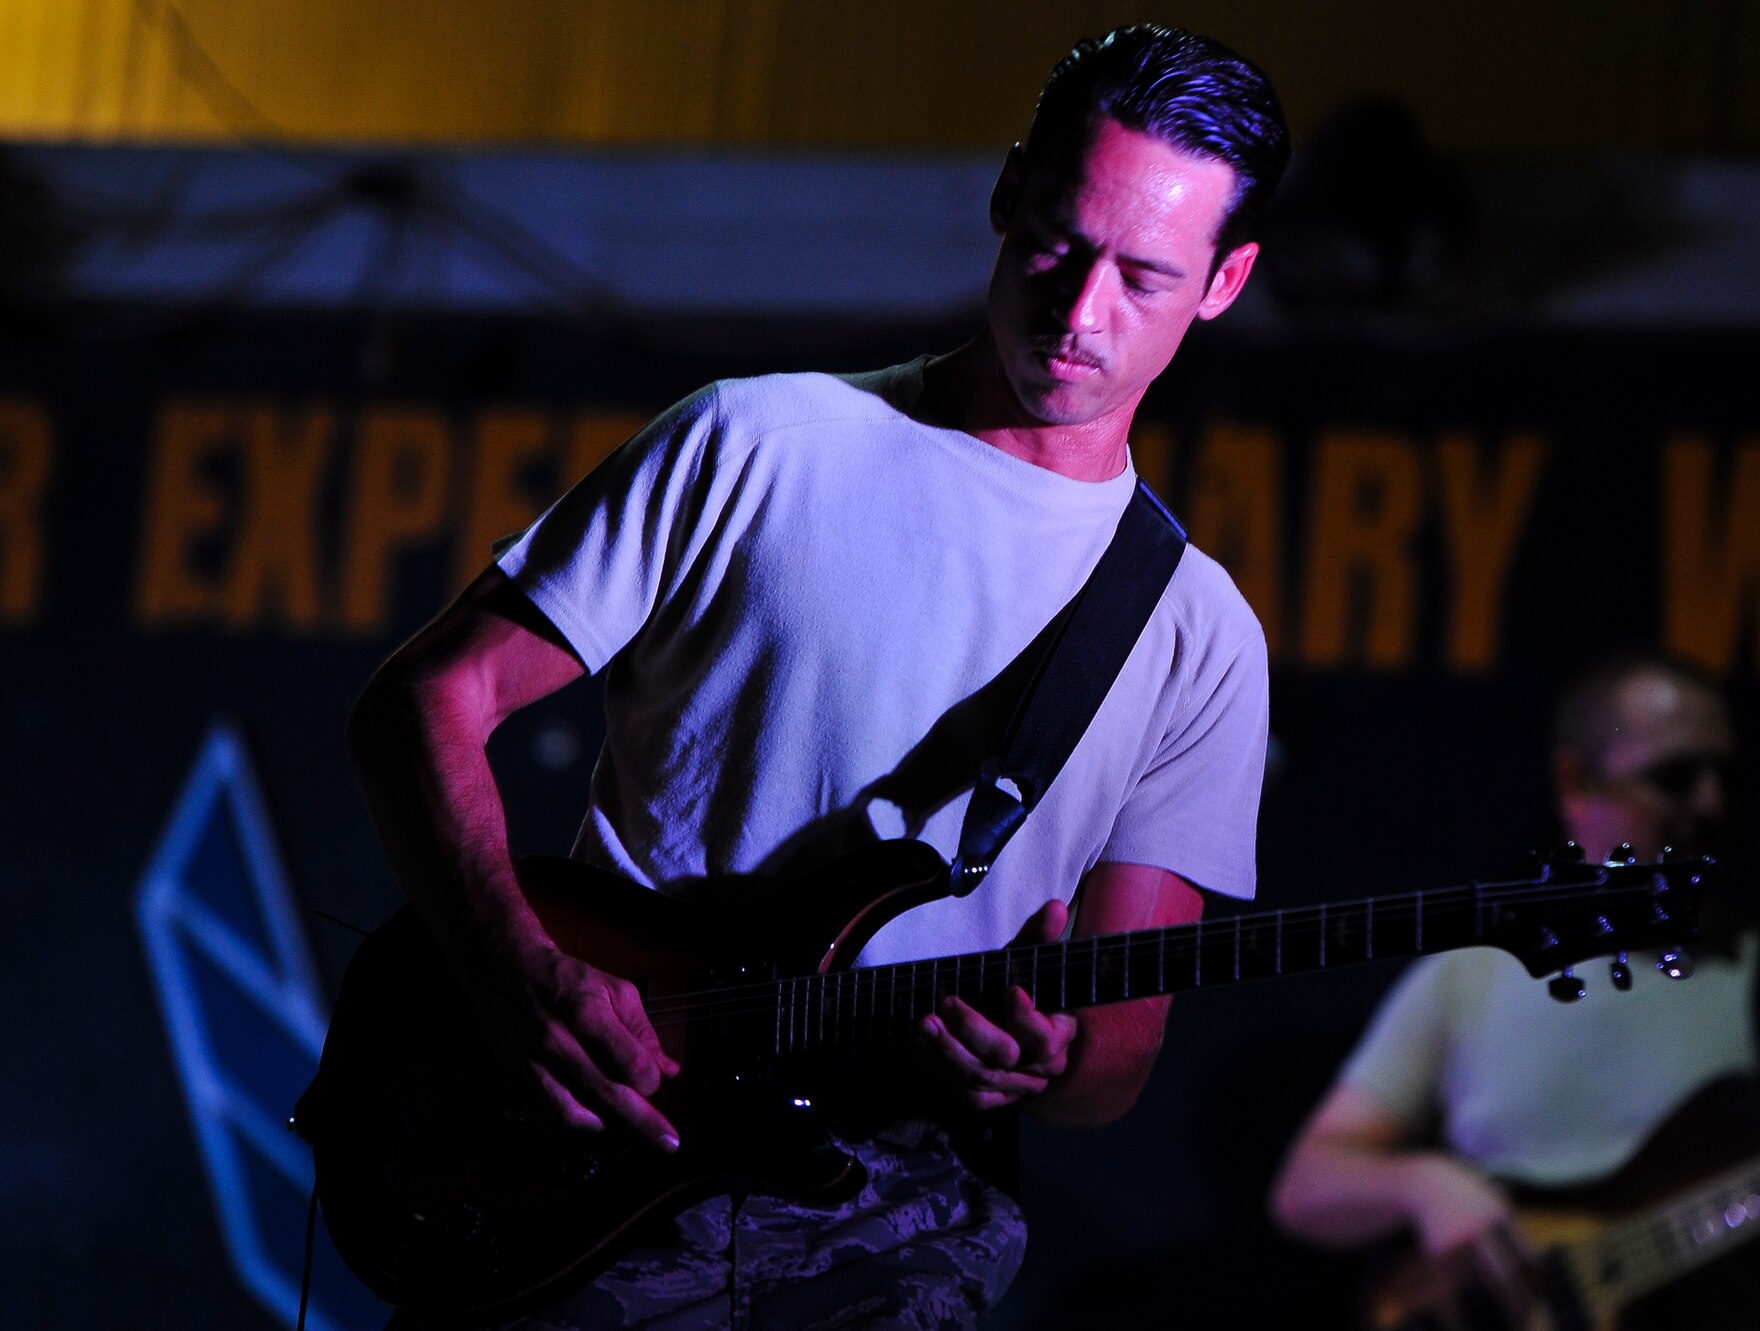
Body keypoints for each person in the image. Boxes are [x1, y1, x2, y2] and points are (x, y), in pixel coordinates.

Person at [343, 24, 1288, 1330]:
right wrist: (521, 968)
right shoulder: (759, 441)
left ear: (1226, 280)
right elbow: (422, 700)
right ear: (1009, 191)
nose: (1079, 313)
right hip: (600, 1138)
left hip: (892, 1224)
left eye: (1143, 274)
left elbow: (1116, 1054)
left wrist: (1041, 1061)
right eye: (1058, 245)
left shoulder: (1198, 632)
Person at [1267, 651, 1760, 1330]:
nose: (1711, 803)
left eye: (1723, 776)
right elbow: (1307, 1185)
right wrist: (1423, 1185)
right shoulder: (1473, 973)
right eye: (1675, 777)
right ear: (1575, 782)